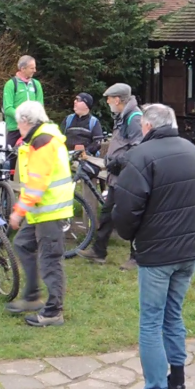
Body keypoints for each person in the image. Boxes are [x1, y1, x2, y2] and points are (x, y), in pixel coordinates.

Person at [112, 104, 195, 389]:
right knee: (173, 315)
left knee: (151, 322)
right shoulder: (191, 150)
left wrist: (129, 236)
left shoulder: (141, 155)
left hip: (157, 254)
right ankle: (177, 384)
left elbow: (126, 208)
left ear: (147, 126)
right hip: (188, 250)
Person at [5, 100, 74, 327]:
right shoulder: (41, 137)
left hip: (49, 211)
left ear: (26, 121)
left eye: (18, 123)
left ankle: (54, 311)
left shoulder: (43, 141)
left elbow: (37, 183)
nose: (17, 127)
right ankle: (33, 296)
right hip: (41, 210)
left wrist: (18, 212)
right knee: (23, 244)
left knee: (50, 261)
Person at [76, 82, 143, 270]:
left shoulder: (134, 118)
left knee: (129, 215)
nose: (107, 102)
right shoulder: (122, 116)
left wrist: (118, 161)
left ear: (118, 99)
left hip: (127, 176)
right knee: (107, 213)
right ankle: (99, 251)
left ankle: (136, 257)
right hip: (117, 175)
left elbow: (138, 147)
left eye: (109, 98)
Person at [2, 55, 43, 149]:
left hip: (32, 129)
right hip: (15, 129)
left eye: (35, 67)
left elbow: (40, 107)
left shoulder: (36, 84)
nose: (35, 70)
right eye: (32, 68)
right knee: (10, 157)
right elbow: (7, 108)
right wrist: (23, 117)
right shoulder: (11, 84)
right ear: (23, 69)